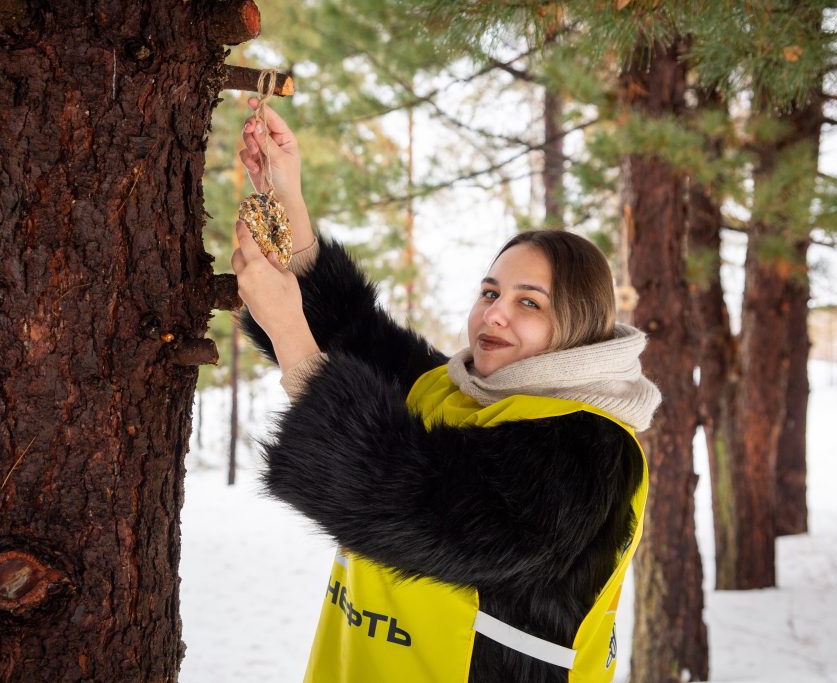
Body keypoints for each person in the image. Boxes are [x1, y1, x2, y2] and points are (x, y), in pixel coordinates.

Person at [231, 99, 661, 683]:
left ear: (577, 326)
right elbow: (351, 334)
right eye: (490, 292)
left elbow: (411, 503)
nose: (496, 314)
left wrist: (289, 332)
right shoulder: (459, 392)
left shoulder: (589, 449)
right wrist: (287, 205)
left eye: (529, 303)